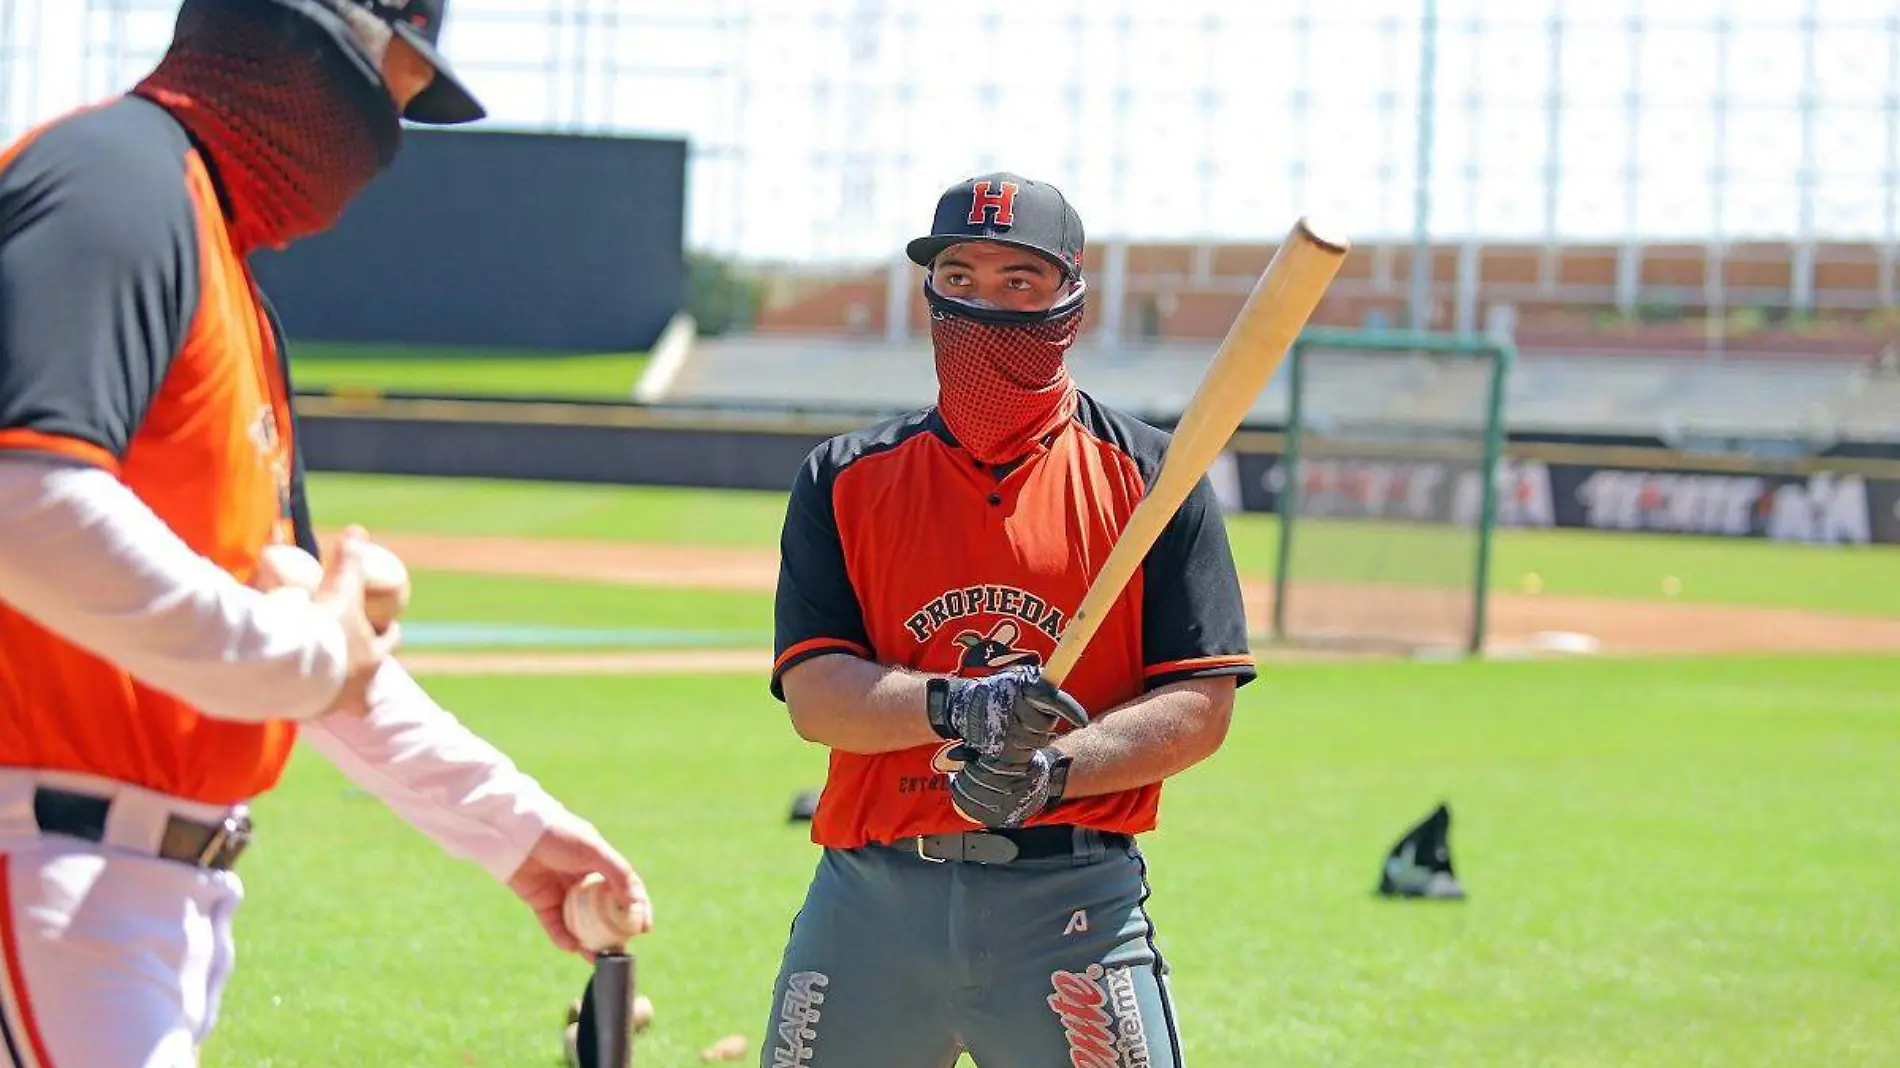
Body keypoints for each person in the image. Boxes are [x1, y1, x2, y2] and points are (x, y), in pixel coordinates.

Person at [0, 2, 650, 1064]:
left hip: (130, 888)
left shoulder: (224, 275)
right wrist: (299, 655)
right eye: (400, 73)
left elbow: (333, 670)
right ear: (315, 39)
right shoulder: (116, 179)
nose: (394, 121)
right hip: (40, 862)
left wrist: (515, 832)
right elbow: (23, 498)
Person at [760, 171, 1256, 1068]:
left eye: (1016, 282)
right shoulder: (843, 477)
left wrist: (1054, 772)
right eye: (958, 277)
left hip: (1069, 903)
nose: (982, 302)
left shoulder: (1155, 480)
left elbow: (1200, 705)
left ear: (1068, 296)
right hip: (871, 901)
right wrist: (963, 705)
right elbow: (816, 699)